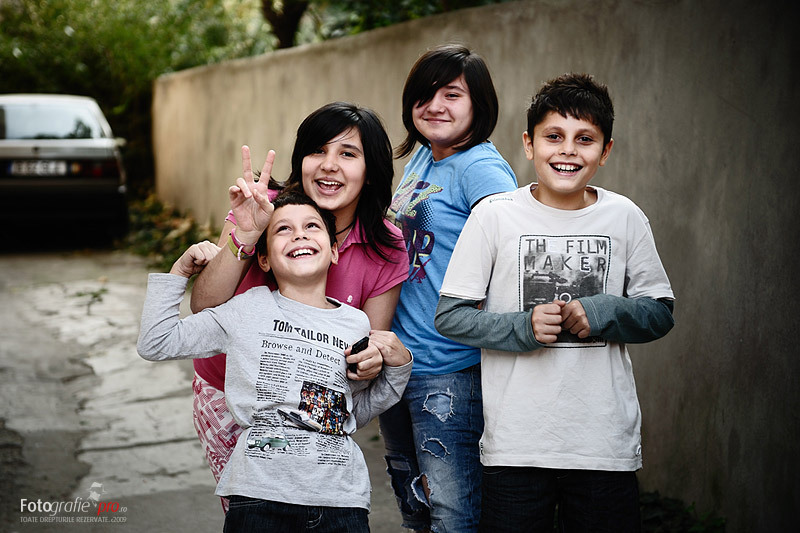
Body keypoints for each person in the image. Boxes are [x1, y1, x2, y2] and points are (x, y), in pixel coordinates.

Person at [434, 73, 676, 532]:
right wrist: (522, 327)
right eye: (553, 136)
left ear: (605, 150)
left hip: (603, 445)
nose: (568, 150)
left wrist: (603, 312)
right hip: (516, 445)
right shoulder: (494, 216)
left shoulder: (625, 217)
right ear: (529, 144)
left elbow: (659, 313)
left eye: (585, 139)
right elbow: (451, 317)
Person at [138, 192, 413, 532]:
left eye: (312, 226)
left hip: (340, 500)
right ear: (264, 260)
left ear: (334, 251)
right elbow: (156, 342)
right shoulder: (246, 309)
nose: (299, 235)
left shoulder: (355, 324)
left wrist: (399, 368)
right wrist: (179, 272)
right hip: (258, 497)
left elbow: (351, 413)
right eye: (283, 229)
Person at [188, 102, 410, 511]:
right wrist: (246, 236)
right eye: (317, 150)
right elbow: (204, 306)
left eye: (348, 153)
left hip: (314, 405)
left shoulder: (386, 243)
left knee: (313, 514)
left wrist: (371, 361)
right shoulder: (263, 206)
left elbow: (365, 354)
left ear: (371, 169)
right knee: (253, 513)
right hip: (228, 394)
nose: (329, 165)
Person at [380, 44, 518, 532]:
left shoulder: (481, 168)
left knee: (454, 516)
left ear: (479, 103)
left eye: (452, 95)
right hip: (401, 364)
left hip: (449, 370)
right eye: (425, 94)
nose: (435, 106)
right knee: (415, 507)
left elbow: (511, 258)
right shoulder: (424, 155)